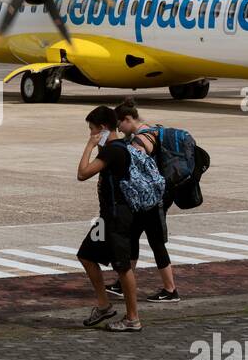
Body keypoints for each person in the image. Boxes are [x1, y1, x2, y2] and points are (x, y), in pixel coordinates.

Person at [76, 106, 141, 332]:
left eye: (92, 130)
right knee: (86, 255)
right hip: (106, 218)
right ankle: (104, 305)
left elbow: (82, 173)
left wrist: (89, 146)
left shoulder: (113, 150)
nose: (90, 134)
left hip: (117, 217)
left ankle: (133, 318)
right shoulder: (118, 147)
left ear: (102, 129)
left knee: (122, 267)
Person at [112, 99, 180, 303]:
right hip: (155, 195)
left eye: (119, 125)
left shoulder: (140, 141)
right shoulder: (154, 130)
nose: (119, 129)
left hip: (151, 198)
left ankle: (170, 290)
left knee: (155, 241)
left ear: (127, 119)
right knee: (133, 236)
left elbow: (135, 169)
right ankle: (123, 282)